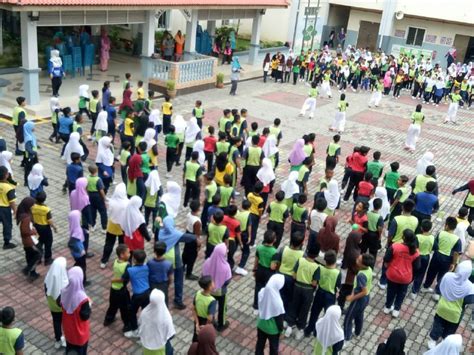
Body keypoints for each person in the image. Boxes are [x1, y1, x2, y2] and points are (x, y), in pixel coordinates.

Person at [427, 261, 473, 349]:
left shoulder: (448, 276)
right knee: (450, 329)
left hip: (442, 309)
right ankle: (445, 342)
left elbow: (439, 287)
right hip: (455, 315)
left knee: (438, 325)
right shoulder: (470, 287)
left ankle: (433, 340)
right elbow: (469, 300)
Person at [158, 216, 196, 310]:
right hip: (175, 258)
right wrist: (196, 236)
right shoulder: (174, 234)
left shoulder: (161, 232)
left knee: (164, 279)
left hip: (163, 258)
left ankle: (162, 298)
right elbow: (190, 237)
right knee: (178, 280)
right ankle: (178, 301)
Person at [284, 243, 320, 340]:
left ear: (307, 252)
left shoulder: (300, 260)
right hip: (308, 290)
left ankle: (289, 327)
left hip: (297, 287)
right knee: (304, 310)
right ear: (317, 255)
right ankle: (299, 330)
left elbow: (294, 275)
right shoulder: (317, 267)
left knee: (294, 306)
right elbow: (314, 283)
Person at [383, 229, 420, 318]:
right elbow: (417, 267)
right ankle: (396, 309)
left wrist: (387, 266)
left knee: (391, 291)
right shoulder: (415, 252)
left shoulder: (395, 246)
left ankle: (387, 307)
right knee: (401, 293)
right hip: (405, 278)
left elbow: (386, 258)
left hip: (392, 275)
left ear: (403, 237)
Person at [422, 217, 461, 299]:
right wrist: (453, 264)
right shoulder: (457, 239)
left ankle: (425, 287)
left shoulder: (440, 233)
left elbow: (435, 244)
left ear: (447, 225)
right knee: (442, 276)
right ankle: (437, 292)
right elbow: (456, 253)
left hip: (437, 256)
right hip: (447, 260)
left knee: (431, 272)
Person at [343, 253, 374, 341]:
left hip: (359, 300)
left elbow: (364, 291)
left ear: (363, 265)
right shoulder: (369, 269)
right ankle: (357, 332)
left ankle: (346, 337)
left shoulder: (361, 275)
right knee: (359, 315)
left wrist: (352, 298)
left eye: (359, 260)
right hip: (366, 298)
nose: (356, 260)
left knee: (348, 319)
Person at [201, 243, 232, 331]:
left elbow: (203, 275)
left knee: (211, 306)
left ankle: (212, 321)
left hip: (209, 290)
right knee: (222, 307)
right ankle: (221, 324)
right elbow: (228, 281)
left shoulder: (207, 261)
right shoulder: (226, 266)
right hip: (221, 292)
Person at [61, 267, 91, 354]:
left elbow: (59, 303)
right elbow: (85, 316)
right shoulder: (82, 298)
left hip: (68, 329)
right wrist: (89, 306)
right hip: (79, 332)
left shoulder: (64, 291)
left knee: (70, 348)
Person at [104, 244, 131, 334]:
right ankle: (127, 325)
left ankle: (108, 319)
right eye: (128, 253)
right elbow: (123, 279)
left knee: (113, 305)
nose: (129, 254)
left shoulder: (116, 261)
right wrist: (114, 280)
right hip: (121, 290)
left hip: (113, 289)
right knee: (125, 309)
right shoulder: (127, 266)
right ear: (122, 255)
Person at [122, 249, 150, 338]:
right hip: (147, 293)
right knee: (145, 311)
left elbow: (124, 280)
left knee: (132, 312)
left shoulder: (130, 270)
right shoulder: (147, 267)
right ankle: (146, 328)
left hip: (137, 295)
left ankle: (135, 330)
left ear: (134, 259)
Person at [138, 289, 176, 355]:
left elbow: (140, 324)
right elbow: (171, 335)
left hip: (146, 344)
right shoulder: (165, 317)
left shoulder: (145, 312)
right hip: (160, 346)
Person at [255, 274, 285, 355]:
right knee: (273, 349)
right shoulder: (278, 302)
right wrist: (281, 330)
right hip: (273, 330)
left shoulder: (262, 292)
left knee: (259, 345)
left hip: (261, 324)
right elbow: (279, 319)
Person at [44, 257, 68, 349]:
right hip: (63, 307)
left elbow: (46, 290)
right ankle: (66, 339)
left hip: (52, 305)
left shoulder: (48, 276)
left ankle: (58, 339)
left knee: (56, 322)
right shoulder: (64, 280)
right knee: (65, 323)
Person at [17, 196, 41, 281]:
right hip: (30, 241)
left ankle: (32, 272)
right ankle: (29, 270)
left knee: (30, 256)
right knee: (38, 255)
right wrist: (33, 232)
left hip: (27, 241)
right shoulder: (26, 218)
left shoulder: (25, 214)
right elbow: (24, 231)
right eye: (32, 204)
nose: (34, 206)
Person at [191, 275, 216, 341]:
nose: (214, 282)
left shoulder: (198, 293)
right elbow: (210, 318)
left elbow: (193, 308)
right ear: (210, 287)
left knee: (196, 335)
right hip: (205, 322)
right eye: (212, 282)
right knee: (206, 339)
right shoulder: (212, 300)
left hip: (198, 319)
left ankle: (194, 347)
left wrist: (197, 323)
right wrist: (206, 326)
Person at [0, 166, 17, 250]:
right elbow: (12, 202)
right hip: (4, 209)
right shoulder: (8, 188)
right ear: (6, 175)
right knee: (7, 225)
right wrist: (15, 212)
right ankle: (6, 243)